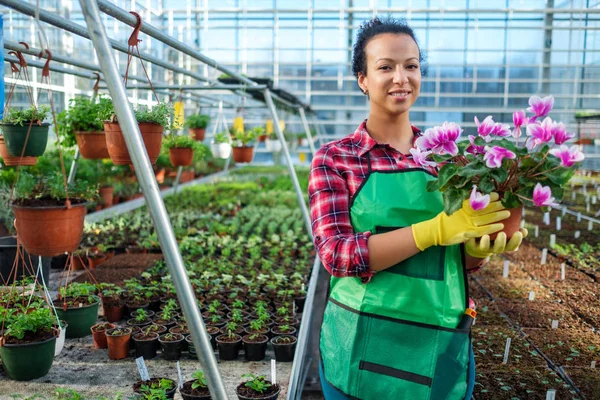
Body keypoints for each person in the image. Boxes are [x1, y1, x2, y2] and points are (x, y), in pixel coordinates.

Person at [308, 17, 526, 400]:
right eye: (385, 67)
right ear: (362, 78)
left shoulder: (449, 159)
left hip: (436, 340)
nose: (401, 78)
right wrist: (431, 231)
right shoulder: (336, 159)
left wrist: (474, 251)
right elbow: (337, 256)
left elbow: (456, 259)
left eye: (411, 65)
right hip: (363, 342)